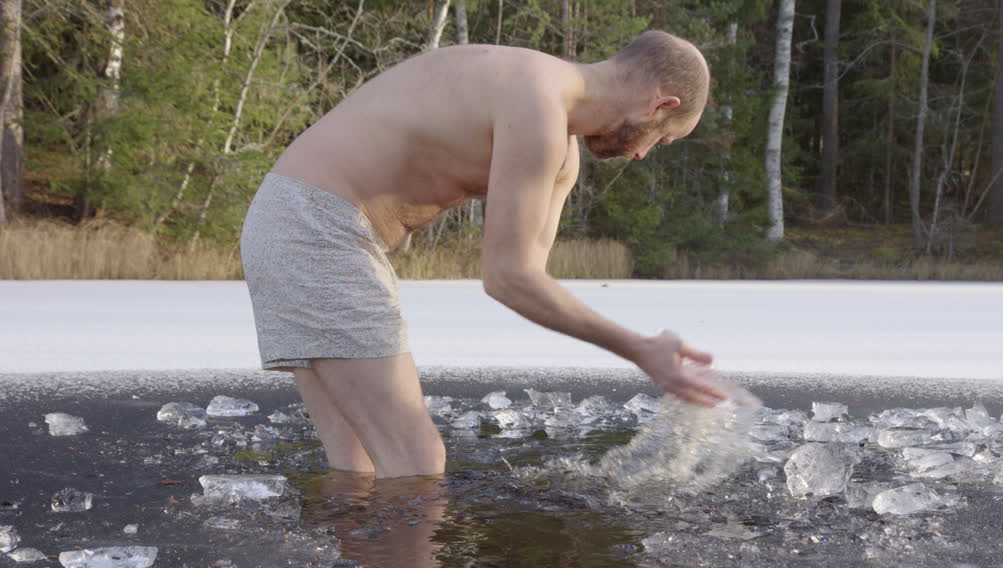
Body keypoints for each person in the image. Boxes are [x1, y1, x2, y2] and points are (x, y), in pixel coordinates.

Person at [240, 30, 726, 479]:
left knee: (358, 463)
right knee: (417, 462)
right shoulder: (537, 102)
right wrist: (639, 348)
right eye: (662, 139)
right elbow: (505, 278)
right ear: (660, 104)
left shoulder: (557, 140)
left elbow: (529, 280)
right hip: (315, 227)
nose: (644, 155)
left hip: (300, 223)